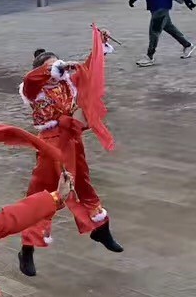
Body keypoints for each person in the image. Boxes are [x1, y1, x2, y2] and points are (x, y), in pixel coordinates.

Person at [17, 41, 123, 276]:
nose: (60, 69)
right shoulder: (34, 89)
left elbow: (88, 71)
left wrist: (99, 46)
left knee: (83, 183)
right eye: (53, 67)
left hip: (72, 139)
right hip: (50, 143)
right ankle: (28, 247)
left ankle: (100, 228)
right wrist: (51, 68)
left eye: (59, 64)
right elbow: (31, 79)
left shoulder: (67, 83)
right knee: (45, 193)